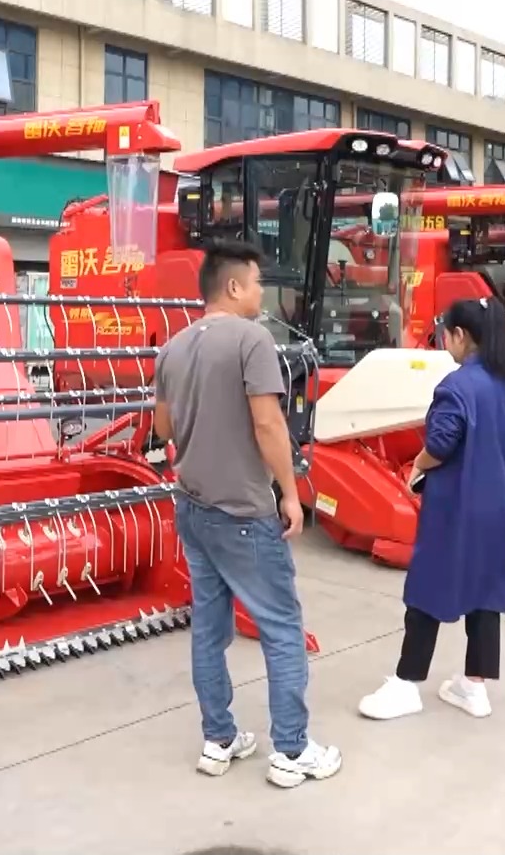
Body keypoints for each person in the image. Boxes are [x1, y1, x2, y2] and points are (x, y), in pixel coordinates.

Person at [152, 240, 341, 789]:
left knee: (209, 630)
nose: (261, 293)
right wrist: (290, 492)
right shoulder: (252, 339)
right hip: (242, 509)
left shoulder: (173, 347)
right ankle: (292, 750)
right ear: (233, 287)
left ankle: (219, 740)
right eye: (257, 283)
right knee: (282, 628)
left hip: (193, 507)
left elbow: (162, 429)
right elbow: (268, 424)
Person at [358, 296, 505, 721]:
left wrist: (418, 465)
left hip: (457, 507)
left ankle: (406, 683)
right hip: (499, 508)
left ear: (460, 335)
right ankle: (474, 686)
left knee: (428, 589)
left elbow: (440, 443)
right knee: (486, 593)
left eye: (446, 334)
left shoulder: (457, 386)